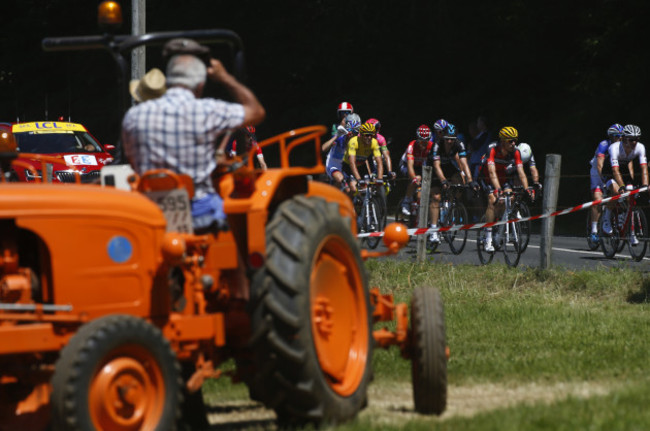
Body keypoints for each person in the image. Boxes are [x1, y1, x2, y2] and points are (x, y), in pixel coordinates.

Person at [122, 43, 266, 233]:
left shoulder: (133, 117)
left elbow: (132, 161)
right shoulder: (208, 110)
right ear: (200, 85)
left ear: (169, 79)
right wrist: (225, 77)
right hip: (200, 213)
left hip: (148, 211)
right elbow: (256, 112)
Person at [479, 126, 532, 252]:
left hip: (504, 179)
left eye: (515, 140)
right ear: (502, 141)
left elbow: (521, 172)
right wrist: (497, 189)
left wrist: (527, 188)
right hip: (488, 178)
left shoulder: (516, 152)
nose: (514, 144)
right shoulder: (492, 149)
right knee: (492, 200)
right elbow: (491, 173)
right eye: (510, 141)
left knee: (511, 198)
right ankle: (488, 239)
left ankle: (500, 226)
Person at [426, 124, 477, 244]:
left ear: (455, 138)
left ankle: (450, 208)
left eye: (452, 139)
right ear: (443, 137)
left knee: (459, 182)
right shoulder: (437, 145)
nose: (449, 141)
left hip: (447, 166)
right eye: (447, 138)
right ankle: (433, 230)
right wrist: (443, 181)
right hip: (433, 168)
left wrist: (470, 180)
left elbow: (464, 163)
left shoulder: (459, 144)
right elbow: (437, 166)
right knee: (436, 197)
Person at [601, 124, 648, 244]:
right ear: (624, 138)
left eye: (637, 139)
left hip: (624, 171)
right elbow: (615, 171)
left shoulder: (640, 148)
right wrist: (621, 187)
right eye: (631, 139)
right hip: (610, 171)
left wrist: (645, 185)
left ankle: (630, 232)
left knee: (631, 198)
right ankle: (606, 217)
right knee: (617, 192)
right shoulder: (614, 148)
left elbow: (643, 169)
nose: (634, 142)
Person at [587, 124, 623, 242]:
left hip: (611, 171)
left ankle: (613, 216)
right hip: (597, 172)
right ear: (612, 137)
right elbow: (599, 165)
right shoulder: (604, 145)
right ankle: (593, 231)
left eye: (622, 136)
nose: (621, 138)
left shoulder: (622, 147)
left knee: (617, 192)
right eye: (618, 136)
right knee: (597, 198)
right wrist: (603, 180)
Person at [399, 125, 434, 216]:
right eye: (422, 142)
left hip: (420, 166)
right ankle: (406, 201)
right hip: (406, 165)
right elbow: (410, 166)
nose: (424, 144)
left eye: (426, 142)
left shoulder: (431, 146)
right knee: (416, 178)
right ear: (418, 139)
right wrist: (414, 179)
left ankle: (418, 206)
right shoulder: (412, 146)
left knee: (422, 190)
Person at [322, 113, 361, 193]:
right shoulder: (340, 137)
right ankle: (331, 195)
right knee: (340, 179)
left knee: (353, 189)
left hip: (345, 167)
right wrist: (336, 136)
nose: (352, 136)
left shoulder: (357, 141)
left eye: (355, 133)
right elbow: (323, 148)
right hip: (332, 165)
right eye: (351, 133)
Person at [343, 122, 384, 194]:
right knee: (353, 189)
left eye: (372, 135)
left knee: (368, 187)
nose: (369, 137)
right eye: (367, 135)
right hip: (348, 167)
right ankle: (348, 204)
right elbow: (352, 163)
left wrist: (380, 178)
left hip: (361, 165)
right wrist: (358, 179)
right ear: (361, 135)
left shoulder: (374, 142)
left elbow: (379, 162)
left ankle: (368, 203)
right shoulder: (353, 142)